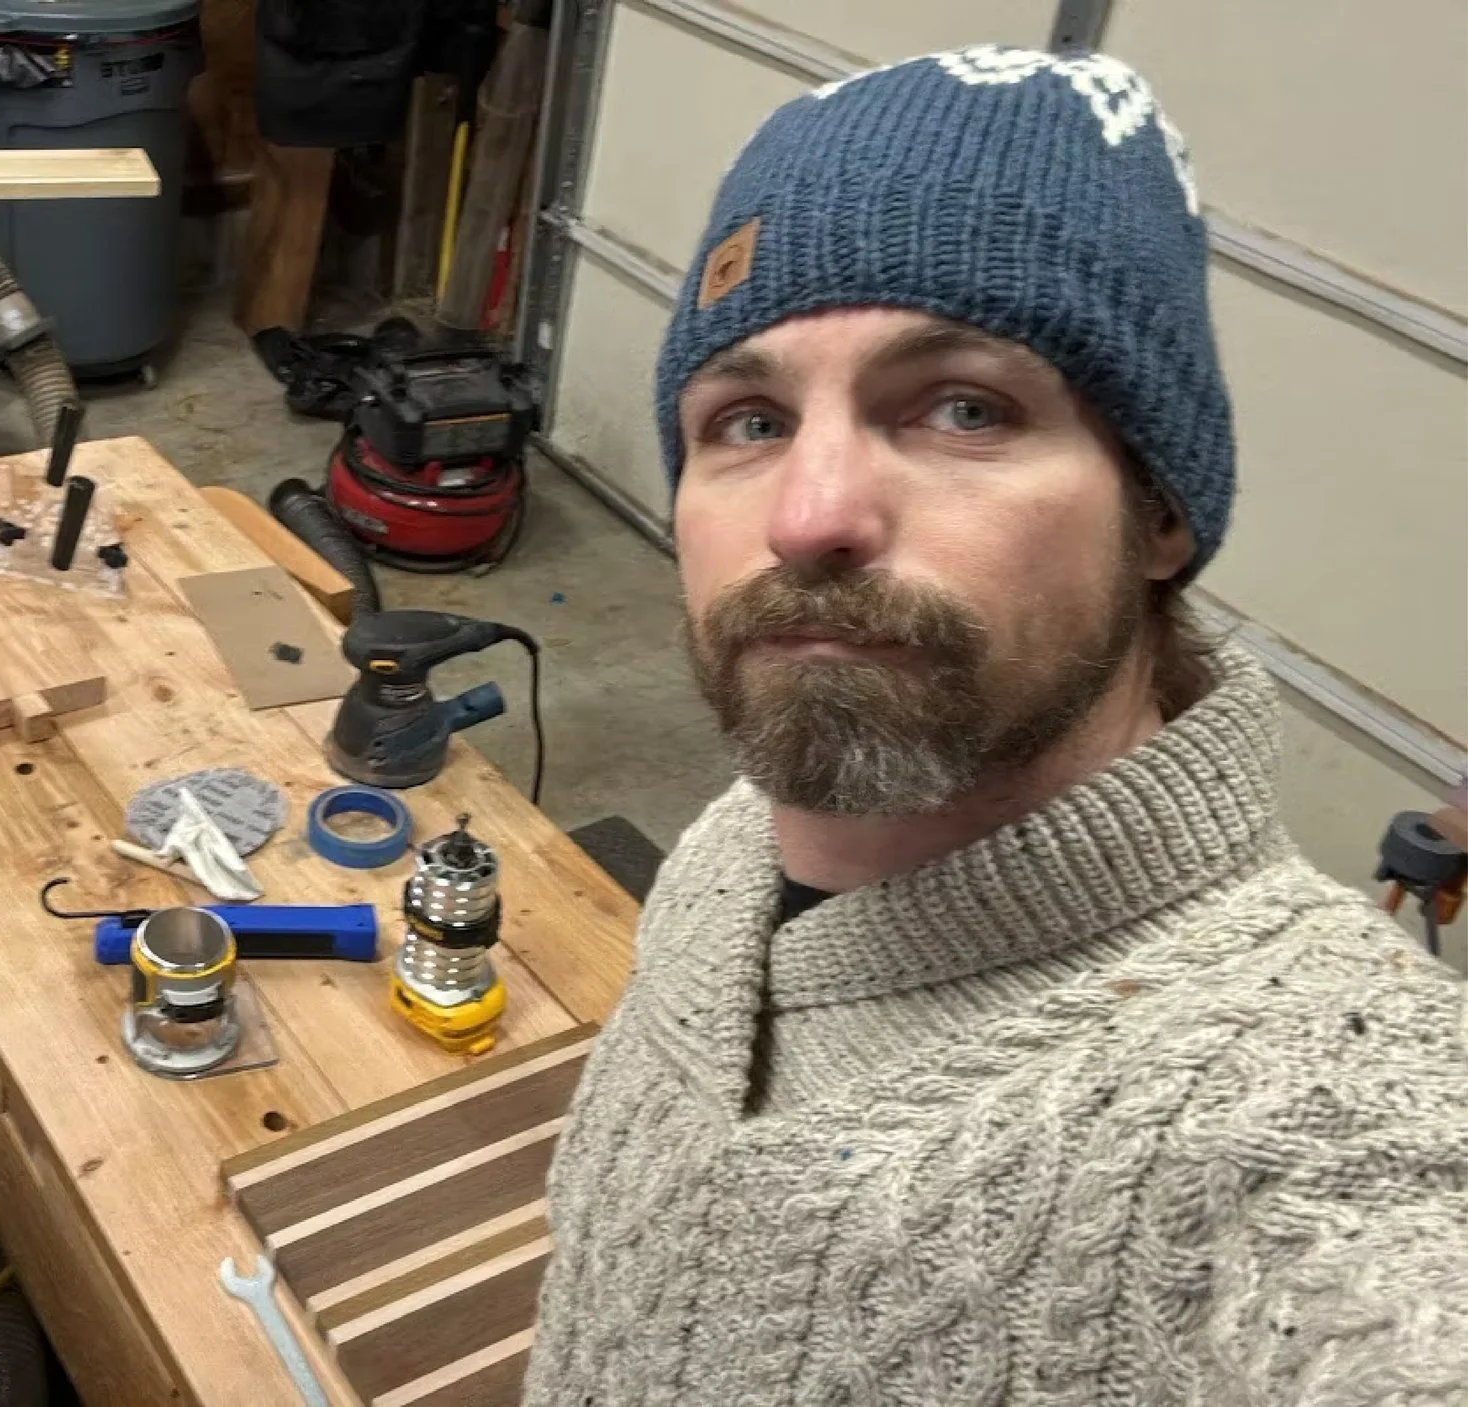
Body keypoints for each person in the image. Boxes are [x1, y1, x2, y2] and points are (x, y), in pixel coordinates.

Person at [527, 45, 1468, 1404]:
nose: (808, 514)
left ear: (1160, 511)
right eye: (748, 419)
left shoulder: (1328, 1120)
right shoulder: (739, 855)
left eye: (964, 406)